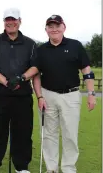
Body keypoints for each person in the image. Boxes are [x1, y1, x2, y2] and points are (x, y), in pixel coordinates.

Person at [23, 15, 96, 173]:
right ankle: (52, 169)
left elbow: (87, 71)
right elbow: (36, 73)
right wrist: (40, 96)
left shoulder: (75, 45)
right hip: (48, 95)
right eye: (50, 26)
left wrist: (91, 93)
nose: (54, 29)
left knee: (70, 134)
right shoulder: (41, 50)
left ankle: (69, 168)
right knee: (49, 134)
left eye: (57, 25)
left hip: (71, 96)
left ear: (64, 27)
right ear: (46, 29)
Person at [0, 8, 38, 173]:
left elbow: (35, 66)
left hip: (22, 95)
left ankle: (22, 166)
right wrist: (5, 81)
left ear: (20, 21)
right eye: (7, 20)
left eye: (13, 19)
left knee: (22, 131)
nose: (10, 22)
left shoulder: (30, 43)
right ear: (4, 22)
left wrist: (21, 78)